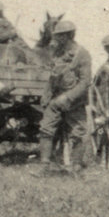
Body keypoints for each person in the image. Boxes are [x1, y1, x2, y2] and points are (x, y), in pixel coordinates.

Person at [37, 20, 92, 174]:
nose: (56, 39)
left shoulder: (82, 54)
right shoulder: (57, 53)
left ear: (69, 36)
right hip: (55, 99)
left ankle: (76, 168)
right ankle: (44, 167)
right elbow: (53, 77)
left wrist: (68, 97)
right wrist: (46, 95)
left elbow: (85, 82)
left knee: (78, 134)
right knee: (45, 129)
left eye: (60, 36)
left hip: (74, 101)